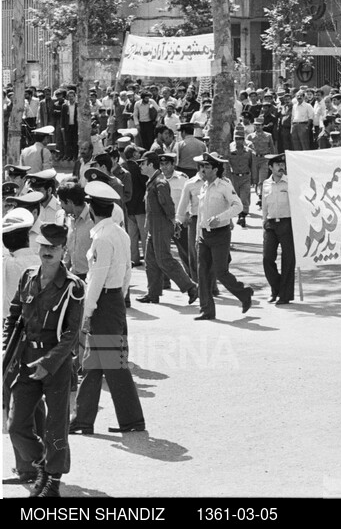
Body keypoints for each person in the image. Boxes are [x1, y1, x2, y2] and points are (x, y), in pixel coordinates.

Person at [4, 223, 85, 497]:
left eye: (54, 247)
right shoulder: (28, 277)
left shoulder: (73, 287)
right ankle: (42, 464)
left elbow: (72, 335)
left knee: (55, 426)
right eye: (44, 246)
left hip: (56, 364)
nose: (48, 251)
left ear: (64, 250)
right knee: (16, 426)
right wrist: (7, 352)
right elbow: (14, 316)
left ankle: (53, 480)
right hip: (26, 359)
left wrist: (48, 364)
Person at [69, 182, 145, 436]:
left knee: (114, 364)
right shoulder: (120, 233)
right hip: (113, 301)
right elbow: (127, 272)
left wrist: (87, 313)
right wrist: (119, 296)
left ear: (91, 208)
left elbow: (96, 280)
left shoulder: (102, 238)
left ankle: (132, 419)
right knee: (93, 364)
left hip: (102, 302)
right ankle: (82, 420)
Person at [194, 152, 253, 320]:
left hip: (220, 234)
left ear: (216, 169)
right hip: (204, 235)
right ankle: (207, 310)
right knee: (202, 273)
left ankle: (244, 293)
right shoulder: (204, 186)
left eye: (207, 166)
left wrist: (220, 218)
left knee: (220, 272)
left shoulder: (224, 185)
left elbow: (238, 206)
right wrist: (199, 233)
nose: (203, 169)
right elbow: (201, 212)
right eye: (202, 166)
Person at [137, 152, 198, 305]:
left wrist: (173, 222)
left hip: (161, 224)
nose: (140, 166)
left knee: (164, 259)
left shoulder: (160, 182)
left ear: (151, 164)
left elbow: (168, 205)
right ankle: (153, 293)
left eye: (142, 163)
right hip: (154, 224)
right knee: (151, 260)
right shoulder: (152, 181)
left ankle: (190, 287)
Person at [261, 154, 295, 306]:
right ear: (270, 167)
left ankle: (285, 295)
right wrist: (264, 221)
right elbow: (264, 205)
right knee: (267, 259)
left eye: (283, 164)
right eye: (277, 165)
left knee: (288, 260)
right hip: (270, 223)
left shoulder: (290, 183)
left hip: (287, 223)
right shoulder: (266, 184)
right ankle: (276, 288)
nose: (281, 167)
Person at [227, 125, 255, 227]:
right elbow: (226, 164)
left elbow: (253, 165)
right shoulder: (229, 150)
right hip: (234, 177)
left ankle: (242, 216)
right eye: (237, 139)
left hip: (245, 177)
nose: (239, 141)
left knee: (244, 198)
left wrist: (254, 179)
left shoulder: (248, 151)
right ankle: (239, 214)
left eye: (241, 139)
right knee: (236, 198)